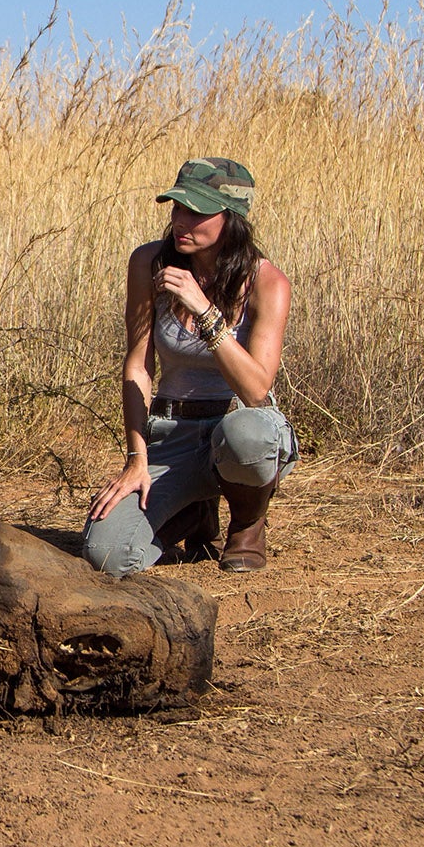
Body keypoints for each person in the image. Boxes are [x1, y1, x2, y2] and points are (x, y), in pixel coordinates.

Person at [83, 157, 298, 576]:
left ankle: (247, 525)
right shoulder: (149, 263)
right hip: (171, 433)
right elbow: (138, 365)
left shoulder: (267, 282)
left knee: (246, 435)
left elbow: (256, 391)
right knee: (106, 555)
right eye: (177, 207)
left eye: (196, 211)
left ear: (231, 218)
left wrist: (204, 312)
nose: (181, 220)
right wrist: (136, 458)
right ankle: (193, 514)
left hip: (235, 434)